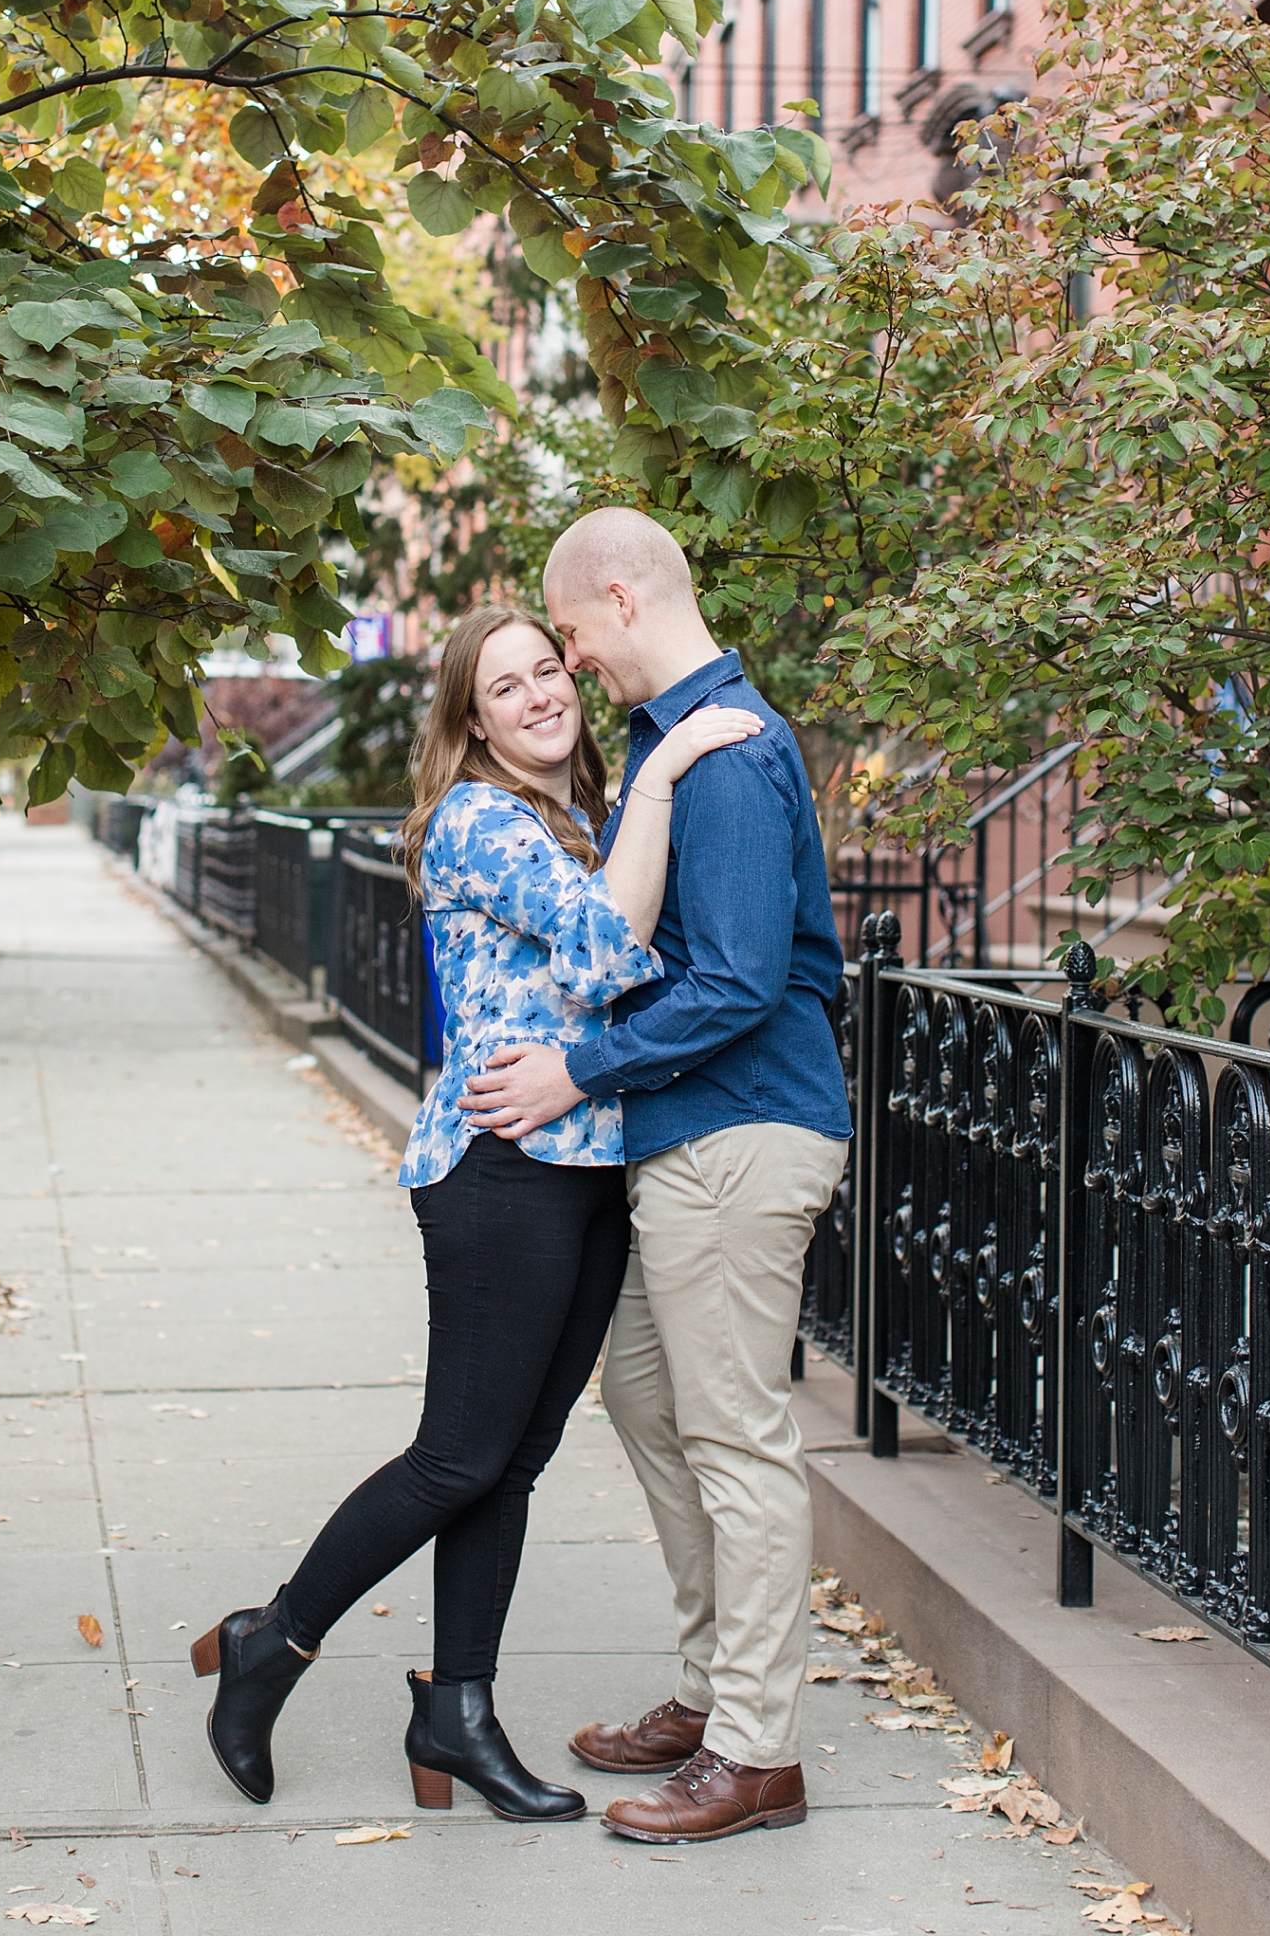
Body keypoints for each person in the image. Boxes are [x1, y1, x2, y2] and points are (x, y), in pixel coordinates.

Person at [191, 601, 760, 1821]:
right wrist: (668, 758)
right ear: (473, 723)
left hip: (589, 1169)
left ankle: (457, 1710)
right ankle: (271, 1641)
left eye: (547, 670)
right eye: (506, 688)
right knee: (458, 1454)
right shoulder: (480, 820)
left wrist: (638, 797)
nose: (540, 695)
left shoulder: (572, 819)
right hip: (501, 1174)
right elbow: (613, 949)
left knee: (512, 1463)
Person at [459, 508, 851, 1846]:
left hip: (741, 1132)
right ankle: (709, 1691)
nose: (570, 665)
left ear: (617, 600)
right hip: (682, 1136)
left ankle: (756, 1752)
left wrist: (580, 1069)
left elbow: (738, 984)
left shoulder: (729, 754)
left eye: (567, 636)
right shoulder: (666, 743)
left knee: (737, 1438)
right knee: (642, 1400)